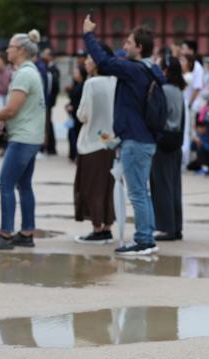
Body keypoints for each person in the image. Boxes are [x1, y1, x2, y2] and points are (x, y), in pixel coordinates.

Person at [83, 16, 166, 256]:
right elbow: (113, 58)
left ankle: (143, 240)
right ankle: (146, 235)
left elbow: (104, 63)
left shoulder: (133, 70)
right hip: (145, 139)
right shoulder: (150, 69)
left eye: (129, 42)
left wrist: (88, 35)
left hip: (135, 141)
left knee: (137, 193)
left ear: (139, 47)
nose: (125, 45)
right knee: (143, 191)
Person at [0, 30, 46, 251]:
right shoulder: (30, 71)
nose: (7, 50)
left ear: (21, 50)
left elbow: (12, 108)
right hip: (32, 136)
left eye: (10, 46)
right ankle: (26, 232)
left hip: (23, 138)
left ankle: (5, 233)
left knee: (5, 183)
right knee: (23, 185)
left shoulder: (24, 74)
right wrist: (5, 118)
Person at [73, 46, 117, 244]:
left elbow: (83, 114)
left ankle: (97, 228)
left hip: (92, 141)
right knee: (106, 186)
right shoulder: (115, 81)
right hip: (109, 141)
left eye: (90, 58)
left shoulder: (91, 84)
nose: (87, 62)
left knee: (91, 187)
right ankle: (107, 225)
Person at [150, 51, 185, 241]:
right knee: (173, 184)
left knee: (161, 185)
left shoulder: (163, 89)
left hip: (162, 141)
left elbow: (157, 117)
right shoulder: (177, 89)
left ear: (165, 70)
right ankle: (175, 225)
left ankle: (164, 226)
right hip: (175, 140)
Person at [67, 64, 87, 161]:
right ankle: (74, 154)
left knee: (77, 135)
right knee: (72, 134)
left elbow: (81, 102)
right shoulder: (76, 84)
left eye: (76, 73)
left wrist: (73, 107)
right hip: (74, 114)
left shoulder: (84, 85)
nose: (74, 74)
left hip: (79, 114)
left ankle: (78, 155)